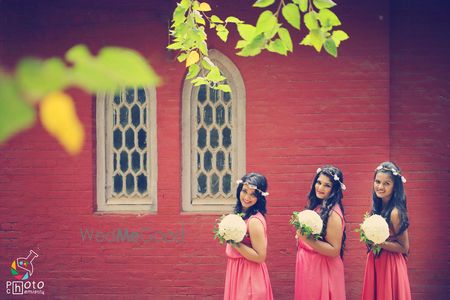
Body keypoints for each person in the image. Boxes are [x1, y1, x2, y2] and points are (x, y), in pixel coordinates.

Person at [295, 165, 347, 300]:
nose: (320, 188)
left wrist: (306, 238)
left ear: (334, 189)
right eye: (319, 182)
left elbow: (334, 250)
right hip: (309, 268)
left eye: (327, 185)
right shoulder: (318, 205)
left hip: (323, 269)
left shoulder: (333, 213)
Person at [362, 162, 411, 300]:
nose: (380, 187)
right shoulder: (378, 207)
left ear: (395, 186)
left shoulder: (395, 212)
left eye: (386, 183)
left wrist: (378, 242)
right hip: (377, 261)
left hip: (391, 265)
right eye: (377, 181)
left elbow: (404, 247)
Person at [224, 172, 274, 300]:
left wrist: (234, 241)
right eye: (244, 191)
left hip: (249, 277)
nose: (247, 197)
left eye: (253, 194)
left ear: (259, 198)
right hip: (237, 273)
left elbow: (260, 256)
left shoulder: (254, 221)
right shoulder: (241, 214)